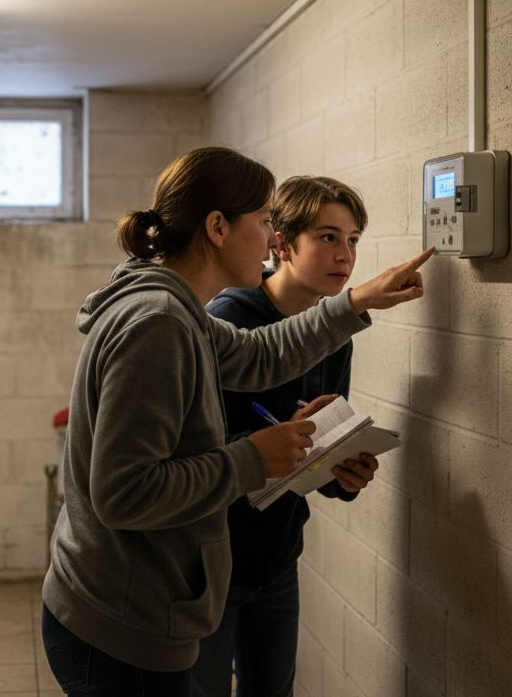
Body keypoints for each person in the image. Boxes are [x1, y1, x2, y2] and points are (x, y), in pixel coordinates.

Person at [40, 147, 434, 697]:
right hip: (120, 625)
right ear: (218, 227)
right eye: (268, 221)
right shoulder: (157, 323)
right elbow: (123, 492)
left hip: (133, 607)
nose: (274, 238)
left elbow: (257, 355)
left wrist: (353, 303)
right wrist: (254, 457)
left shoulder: (178, 310)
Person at [191, 175, 376, 697]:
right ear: (281, 243)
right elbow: (198, 446)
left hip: (276, 557)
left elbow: (316, 453)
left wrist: (344, 473)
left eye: (354, 239)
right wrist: (276, 439)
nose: (345, 255)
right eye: (328, 237)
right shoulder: (229, 319)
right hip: (211, 560)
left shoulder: (334, 331)